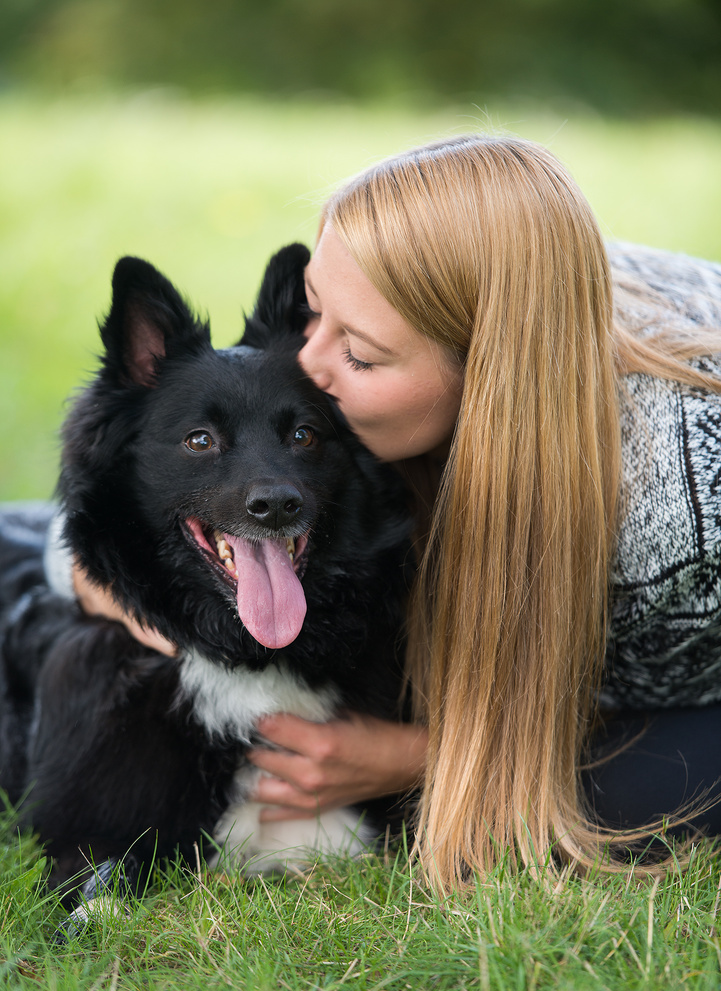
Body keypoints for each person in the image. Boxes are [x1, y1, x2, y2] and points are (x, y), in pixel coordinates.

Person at [64, 135, 721, 890]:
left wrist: (417, 757)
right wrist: (101, 574)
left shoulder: (680, 516)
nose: (304, 367)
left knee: (595, 803)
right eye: (317, 314)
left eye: (362, 355)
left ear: (485, 379)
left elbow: (610, 707)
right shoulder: (513, 275)